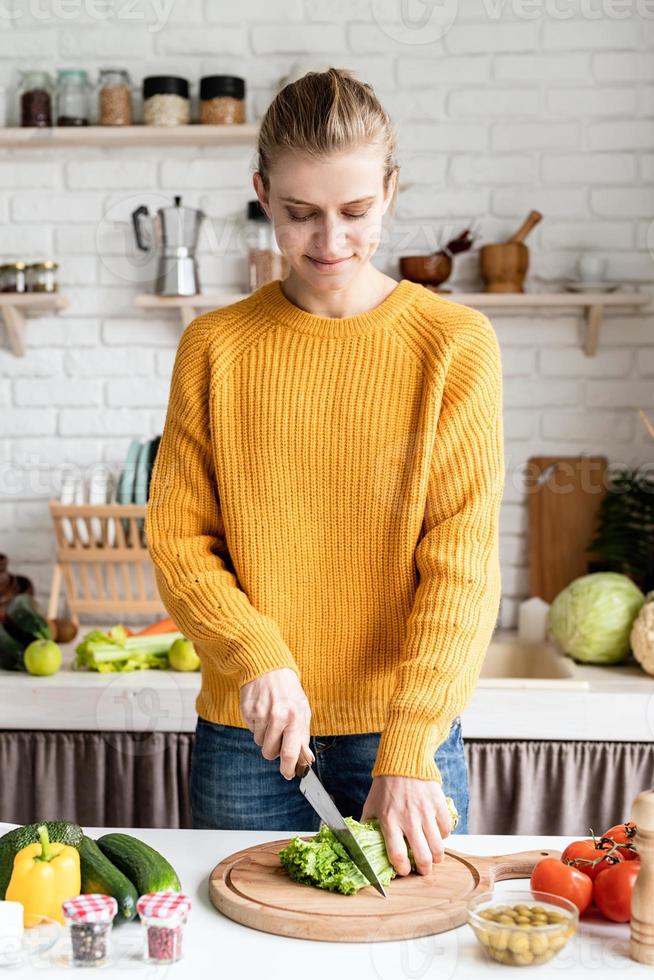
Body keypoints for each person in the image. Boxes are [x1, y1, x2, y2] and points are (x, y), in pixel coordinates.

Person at [145, 67, 505, 878]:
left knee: (417, 949)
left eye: (355, 212)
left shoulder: (454, 344)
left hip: (408, 735)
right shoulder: (216, 347)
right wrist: (255, 653)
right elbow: (177, 540)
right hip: (248, 740)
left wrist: (412, 741)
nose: (330, 243)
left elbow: (462, 563)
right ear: (262, 192)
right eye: (300, 214)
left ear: (390, 190)